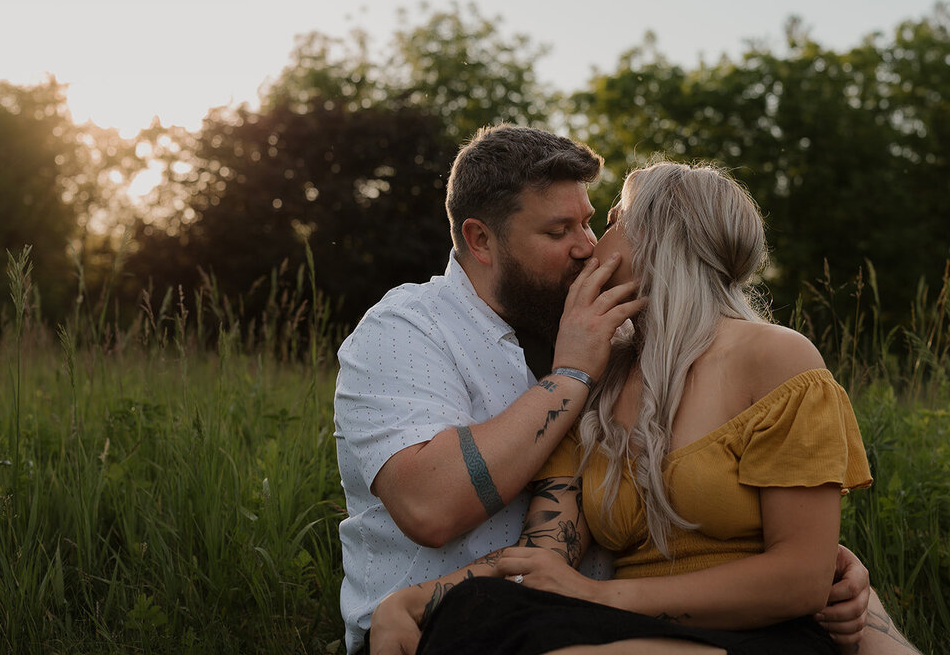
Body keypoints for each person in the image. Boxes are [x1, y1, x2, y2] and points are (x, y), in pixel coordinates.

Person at [334, 126, 894, 654]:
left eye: (599, 222)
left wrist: (827, 568)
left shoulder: (771, 357)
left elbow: (799, 572)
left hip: (679, 621)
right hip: (584, 618)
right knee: (478, 612)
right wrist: (415, 601)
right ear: (481, 240)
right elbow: (530, 547)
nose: (587, 245)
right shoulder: (426, 334)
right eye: (560, 231)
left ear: (661, 241)